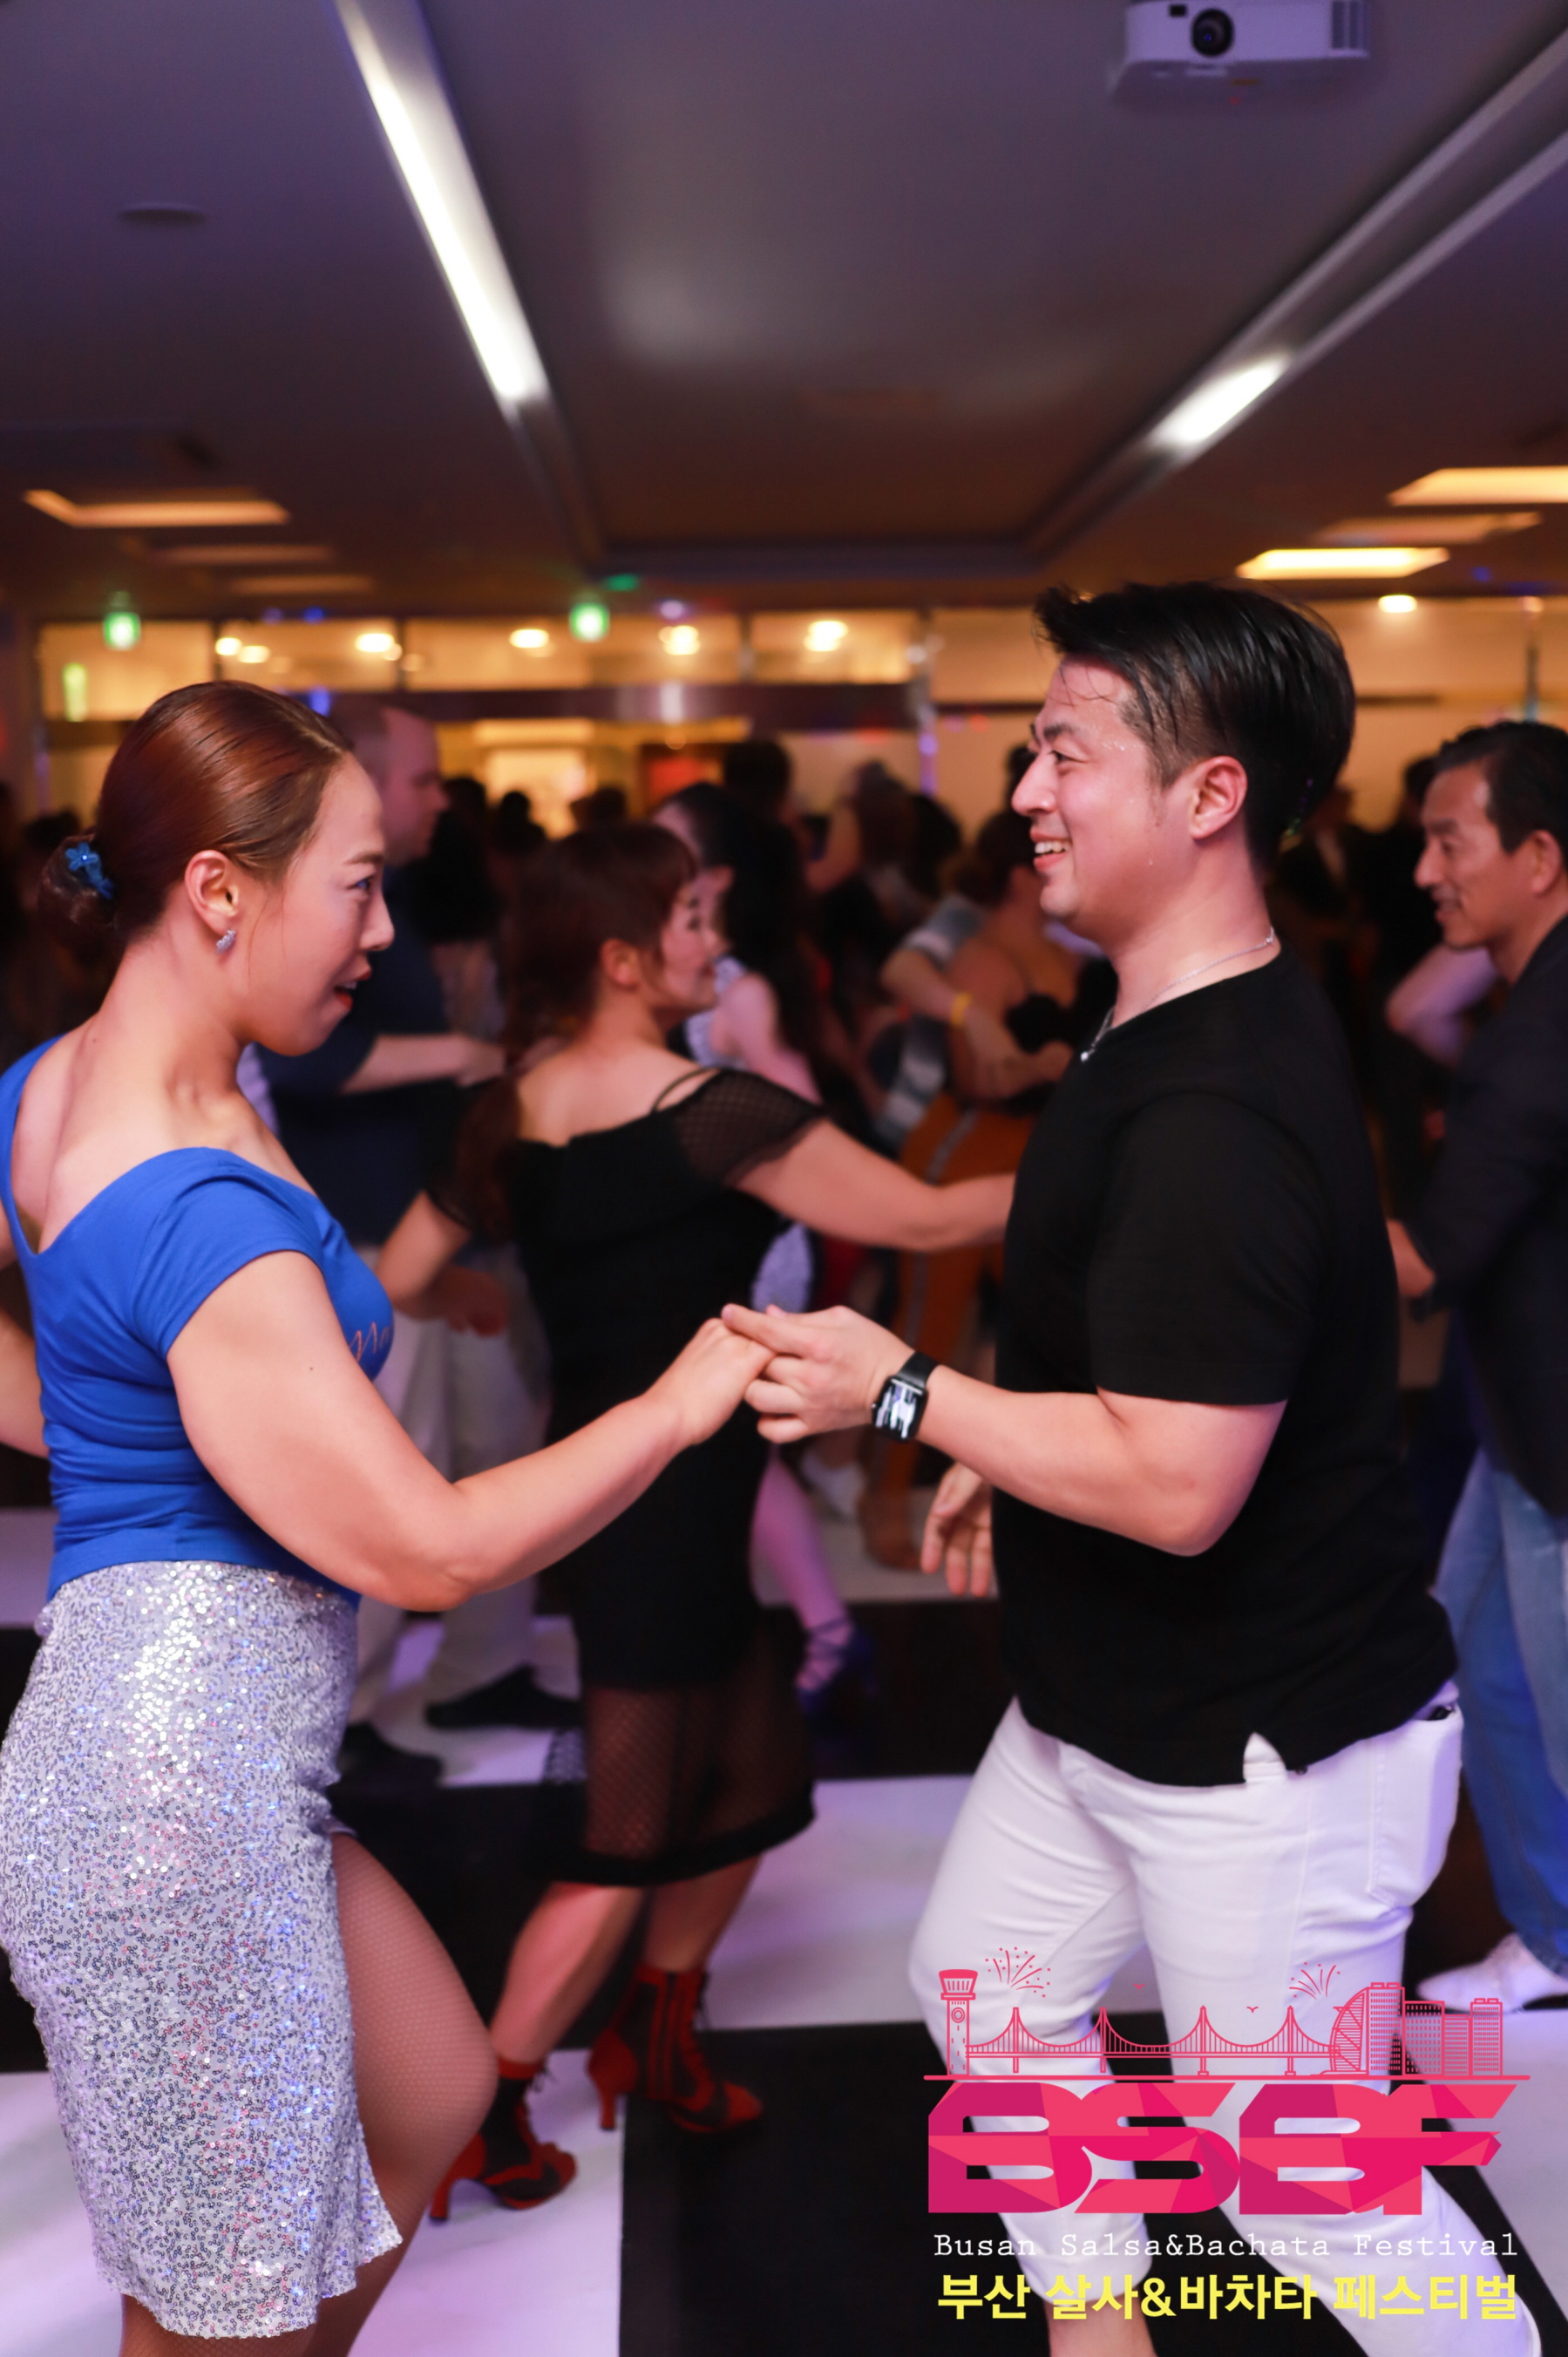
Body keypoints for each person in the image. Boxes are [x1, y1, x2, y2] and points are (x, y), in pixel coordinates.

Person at [724, 583, 1523, 2355]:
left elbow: (1171, 1483)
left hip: (1263, 1749)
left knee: (1311, 2194)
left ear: (1207, 793)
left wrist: (906, 1390)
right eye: (1030, 749)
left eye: (1063, 752)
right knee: (986, 1992)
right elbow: (1141, 1332)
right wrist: (1011, 1435)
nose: (1024, 790)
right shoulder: (1152, 1017)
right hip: (1109, 1703)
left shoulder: (1212, 1105)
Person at [0, 682, 770, 2354]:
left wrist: (135, 1421)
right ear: (220, 889)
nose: (382, 932)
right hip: (173, 1802)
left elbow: (112, 1338)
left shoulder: (55, 1087)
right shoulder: (194, 1199)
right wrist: (675, 1400)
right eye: (358, 886)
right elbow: (429, 1546)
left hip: (188, 1758)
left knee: (425, 2092)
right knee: (218, 2310)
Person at [377, 824, 1011, 2207]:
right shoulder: (712, 1115)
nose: (714, 941)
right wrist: (1118, 1164)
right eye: (689, 920)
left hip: (622, 1491)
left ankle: (655, 2038)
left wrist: (466, 1295)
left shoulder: (510, 1108)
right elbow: (923, 1219)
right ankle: (487, 2106)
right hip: (656, 1513)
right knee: (627, 1834)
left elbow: (398, 1276)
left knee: (750, 1771)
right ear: (620, 959)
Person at [260, 701, 561, 1773]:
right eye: (423, 780)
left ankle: (480, 1670)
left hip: (431, 1227)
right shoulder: (326, 906)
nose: (440, 799)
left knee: (493, 1450)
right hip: (368, 1238)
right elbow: (307, 1065)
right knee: (402, 1471)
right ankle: (344, 1722)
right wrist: (466, 1057)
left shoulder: (398, 896)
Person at [1385, 723, 1568, 2015]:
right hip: (1519, 1420)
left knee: (1548, 1700)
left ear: (1538, 858)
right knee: (1479, 1658)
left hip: (1554, 1434)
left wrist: (1258, 1211)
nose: (1423, 873)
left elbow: (1423, 1262)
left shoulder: (1535, 1037)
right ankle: (1553, 1933)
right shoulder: (1530, 1006)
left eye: (1449, 843)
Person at [655, 782, 868, 1706]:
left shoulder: (736, 989)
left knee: (738, 1445)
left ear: (716, 878)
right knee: (729, 1446)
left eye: (669, 849)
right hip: (721, 1239)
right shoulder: (699, 976)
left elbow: (801, 1113)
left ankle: (825, 1634)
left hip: (757, 1246)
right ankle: (804, 1635)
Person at [857, 810, 1091, 1568]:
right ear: (1021, 875)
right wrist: (1041, 1064)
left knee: (1043, 1328)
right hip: (963, 1152)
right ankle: (883, 1492)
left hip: (1035, 1157)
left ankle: (1034, 1494)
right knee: (924, 1335)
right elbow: (976, 1076)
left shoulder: (1064, 948)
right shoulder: (980, 957)